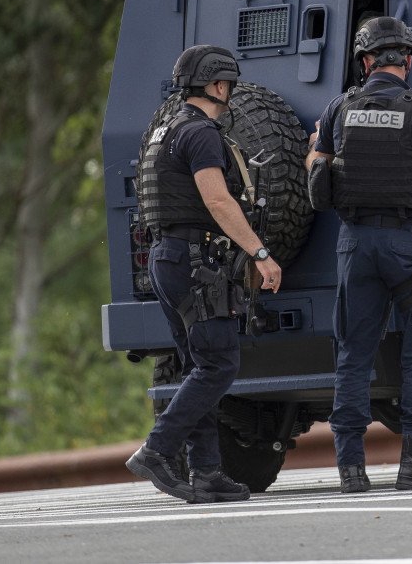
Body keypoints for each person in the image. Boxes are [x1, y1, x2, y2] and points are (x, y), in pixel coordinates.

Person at [306, 16, 412, 493]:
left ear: (365, 61)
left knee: (353, 354)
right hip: (411, 243)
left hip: (356, 243)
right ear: (407, 59)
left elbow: (316, 179)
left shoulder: (339, 108)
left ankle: (351, 470)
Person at [126, 45, 283, 502]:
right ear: (217, 85)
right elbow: (217, 201)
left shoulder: (164, 130)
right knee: (219, 364)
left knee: (199, 365)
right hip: (194, 260)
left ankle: (207, 471)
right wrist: (259, 252)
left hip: (166, 257)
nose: (230, 93)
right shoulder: (201, 133)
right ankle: (156, 450)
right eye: (228, 85)